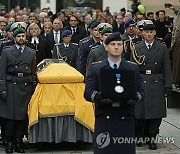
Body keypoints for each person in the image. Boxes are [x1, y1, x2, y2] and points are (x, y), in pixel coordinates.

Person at [84, 32, 144, 154]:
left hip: (125, 117)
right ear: (106, 47)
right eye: (112, 44)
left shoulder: (132, 68)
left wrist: (134, 98)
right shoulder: (97, 69)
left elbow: (141, 91)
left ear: (123, 47)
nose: (116, 47)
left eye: (119, 44)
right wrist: (99, 97)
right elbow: (87, 92)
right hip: (105, 118)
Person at [132, 23, 172, 150]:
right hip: (141, 81)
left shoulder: (162, 47)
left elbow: (166, 67)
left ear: (155, 33)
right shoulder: (136, 47)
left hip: (157, 82)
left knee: (155, 113)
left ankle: (152, 138)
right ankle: (139, 135)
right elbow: (132, 68)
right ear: (142, 33)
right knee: (140, 113)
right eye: (146, 32)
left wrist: (168, 85)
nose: (149, 34)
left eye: (151, 32)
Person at [0, 22, 37, 153]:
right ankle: (9, 142)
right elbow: (2, 72)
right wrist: (2, 89)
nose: (21, 38)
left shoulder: (31, 53)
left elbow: (33, 73)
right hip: (11, 86)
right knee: (10, 118)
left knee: (22, 117)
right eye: (19, 36)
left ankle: (19, 141)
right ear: (14, 38)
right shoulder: (7, 52)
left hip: (25, 87)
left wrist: (34, 87)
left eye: (23, 36)